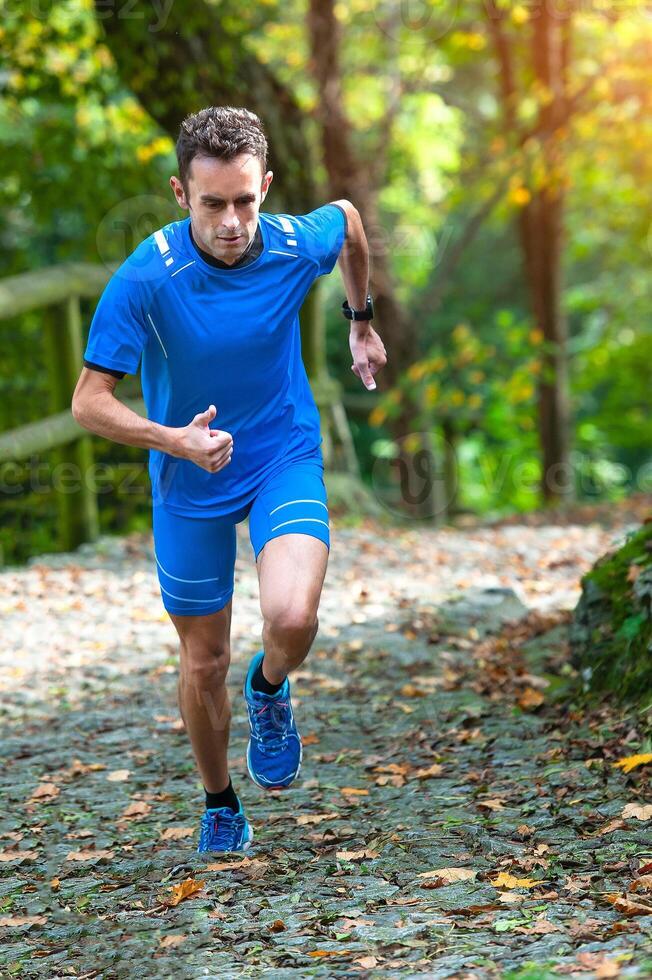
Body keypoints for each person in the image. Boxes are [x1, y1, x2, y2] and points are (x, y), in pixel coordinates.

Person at [71, 105, 387, 856]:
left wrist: (360, 318)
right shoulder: (147, 276)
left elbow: (344, 220)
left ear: (265, 187)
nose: (234, 221)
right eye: (214, 203)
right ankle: (219, 802)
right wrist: (171, 439)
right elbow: (89, 402)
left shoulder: (286, 243)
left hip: (282, 452)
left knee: (291, 618)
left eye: (247, 199)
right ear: (182, 195)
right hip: (189, 477)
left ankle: (271, 688)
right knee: (203, 659)